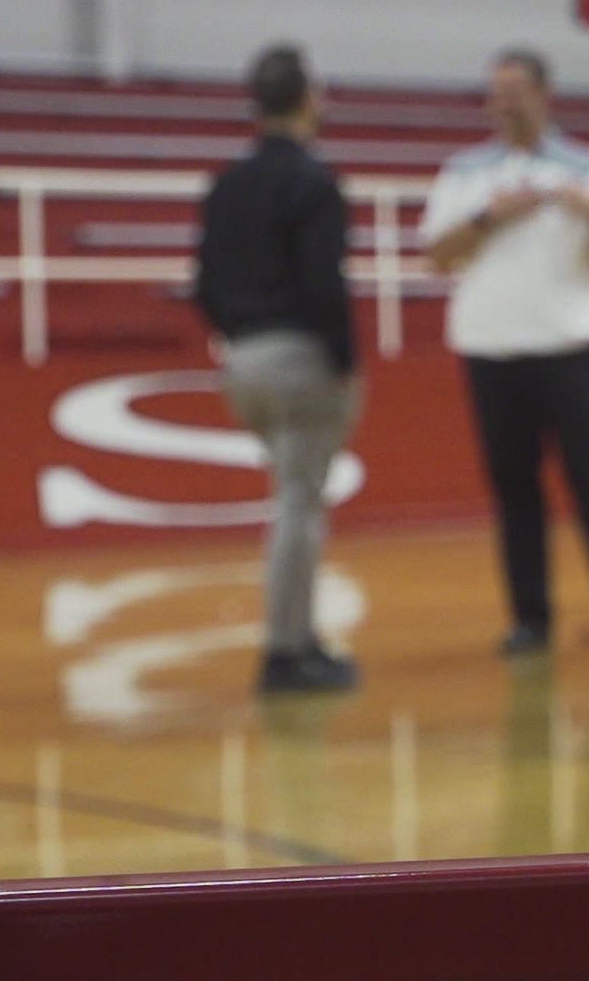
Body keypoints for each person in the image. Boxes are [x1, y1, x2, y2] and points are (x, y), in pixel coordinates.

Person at [419, 47, 589, 657]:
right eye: (495, 92)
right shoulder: (464, 174)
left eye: (513, 90)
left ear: (543, 93)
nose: (502, 103)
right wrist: (490, 216)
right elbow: (437, 256)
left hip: (572, 348)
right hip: (491, 350)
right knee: (515, 492)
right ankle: (529, 618)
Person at [194, 44, 363, 692]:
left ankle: (299, 636)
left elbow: (204, 283)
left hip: (244, 361)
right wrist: (344, 361)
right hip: (301, 357)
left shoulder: (227, 183)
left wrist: (238, 339)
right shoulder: (314, 181)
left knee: (292, 495)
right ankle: (286, 650)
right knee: (299, 504)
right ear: (308, 98)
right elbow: (326, 282)